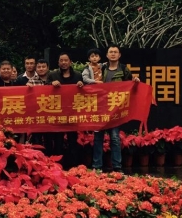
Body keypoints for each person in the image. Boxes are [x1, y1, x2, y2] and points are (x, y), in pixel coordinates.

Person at [91, 45, 139, 173]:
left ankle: (117, 167)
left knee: (115, 138)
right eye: (110, 52)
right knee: (98, 138)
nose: (113, 54)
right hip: (100, 108)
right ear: (107, 55)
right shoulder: (101, 68)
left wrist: (135, 81)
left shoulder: (124, 69)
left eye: (115, 52)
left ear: (119, 55)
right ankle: (97, 166)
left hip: (115, 109)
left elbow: (130, 84)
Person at [48, 53, 84, 169]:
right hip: (57, 113)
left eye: (66, 60)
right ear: (58, 63)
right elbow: (44, 89)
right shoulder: (53, 75)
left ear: (70, 62)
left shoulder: (78, 75)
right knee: (58, 141)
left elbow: (84, 92)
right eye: (61, 60)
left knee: (72, 140)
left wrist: (81, 85)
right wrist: (51, 84)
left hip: (72, 113)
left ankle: (74, 166)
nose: (63, 62)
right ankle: (58, 166)